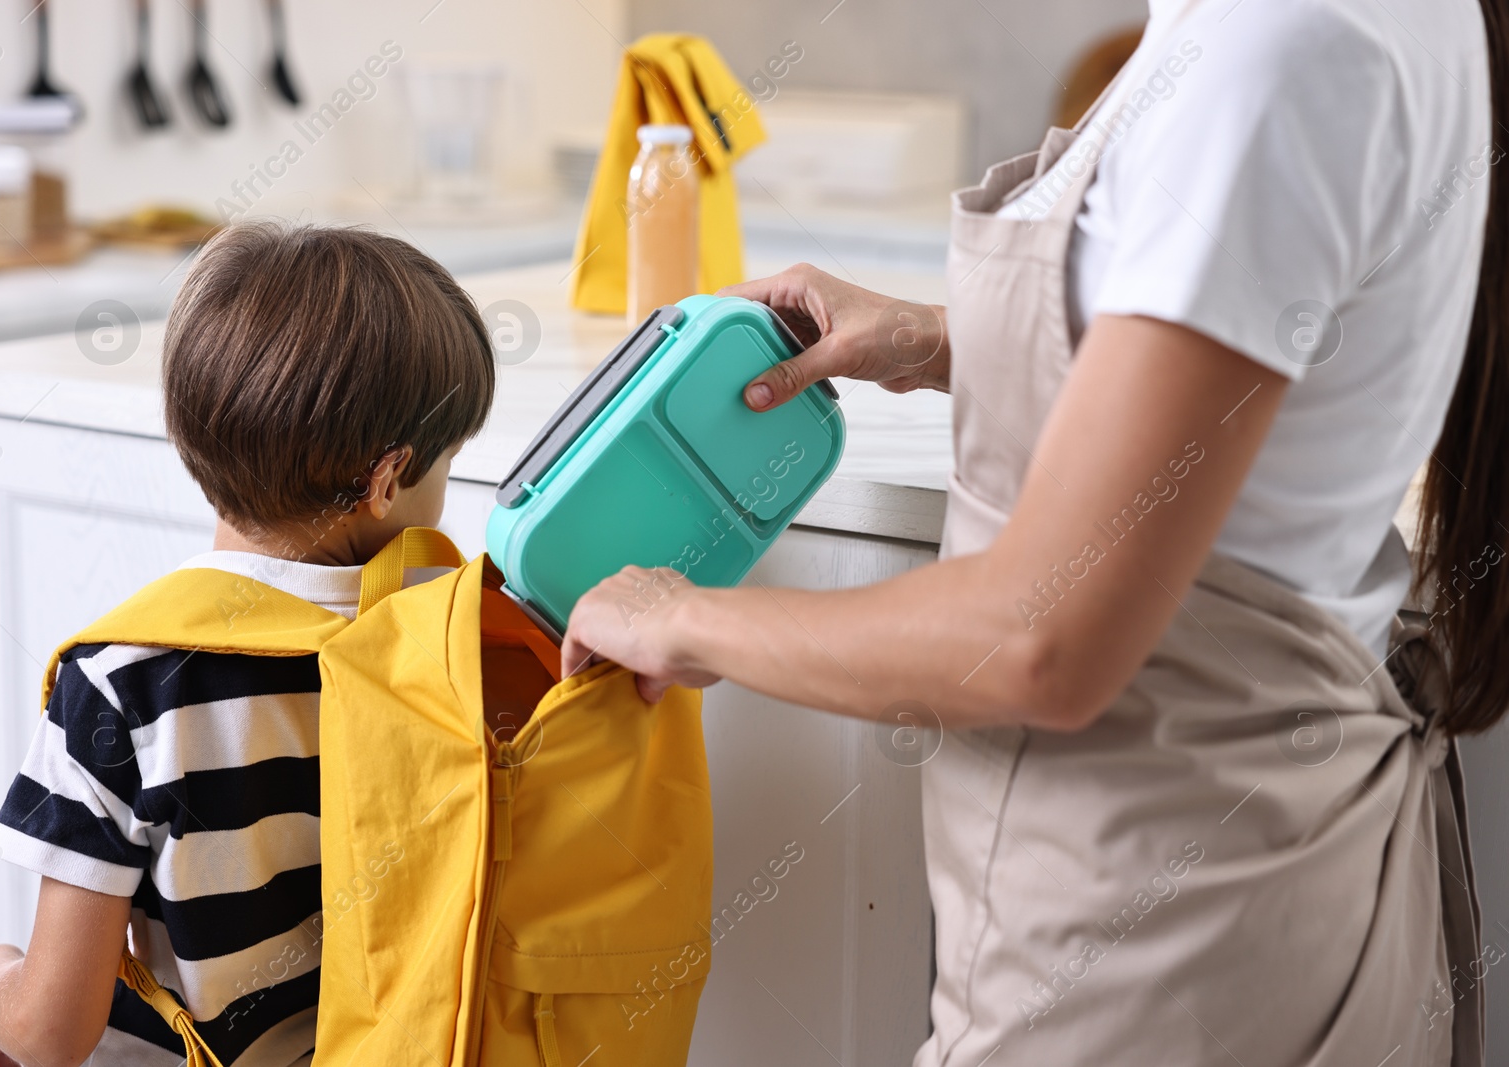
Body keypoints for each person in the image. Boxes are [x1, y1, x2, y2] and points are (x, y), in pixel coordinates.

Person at [561, 0, 1505, 1062]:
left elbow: (1042, 639)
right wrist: (927, 341)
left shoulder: (1280, 45)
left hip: (1158, 934)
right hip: (1234, 886)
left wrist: (681, 618)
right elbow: (1247, 380)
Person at [0, 223, 496, 1067]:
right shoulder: (441, 647)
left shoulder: (122, 689)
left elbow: (54, 1032)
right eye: (446, 465)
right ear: (386, 481)